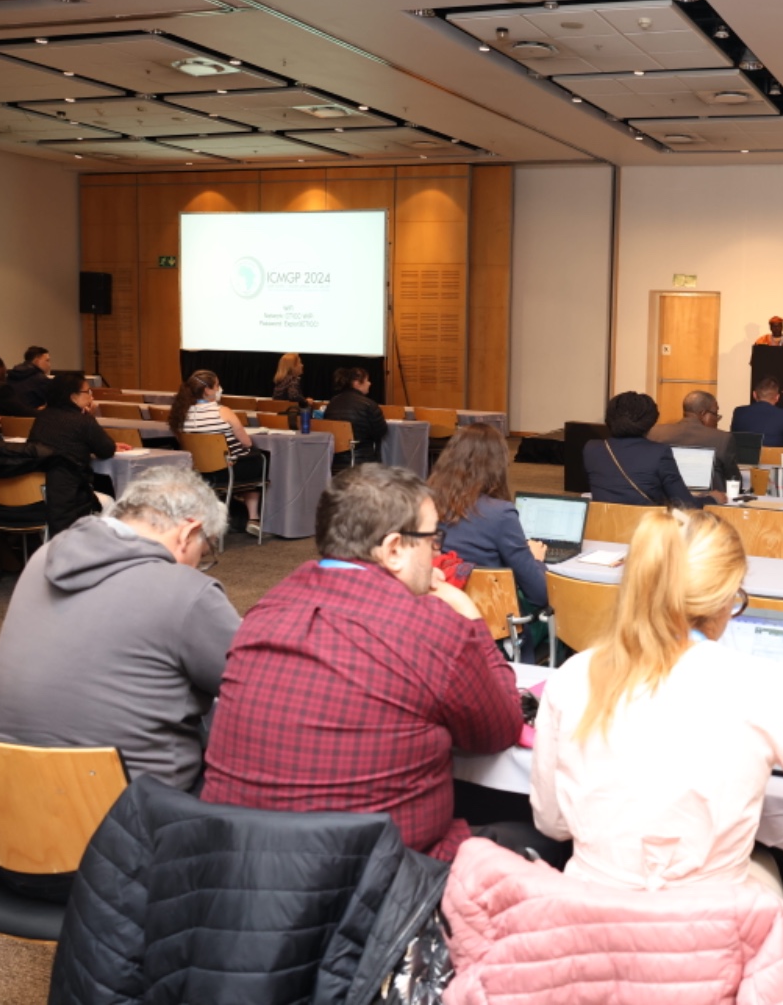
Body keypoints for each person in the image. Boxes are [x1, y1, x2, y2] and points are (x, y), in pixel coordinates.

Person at [531, 507, 783, 904]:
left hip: (585, 922)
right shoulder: (767, 687)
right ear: (722, 600)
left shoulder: (571, 678)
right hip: (709, 927)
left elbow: (551, 821)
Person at [201, 464, 524, 858]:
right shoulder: (430, 628)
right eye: (432, 539)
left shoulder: (264, 610)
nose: (437, 553)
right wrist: (470, 616)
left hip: (239, 860)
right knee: (536, 832)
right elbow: (499, 730)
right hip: (377, 875)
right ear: (394, 549)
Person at [0, 465, 239, 793]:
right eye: (202, 554)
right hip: (125, 808)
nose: (197, 566)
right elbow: (254, 680)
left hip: (10, 794)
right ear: (189, 532)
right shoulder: (186, 590)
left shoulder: (45, 557)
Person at [431, 423, 549, 609]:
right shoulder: (501, 514)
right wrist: (535, 560)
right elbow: (540, 595)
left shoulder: (424, 504)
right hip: (491, 618)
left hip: (437, 611)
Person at [29, 371, 127, 535]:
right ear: (73, 397)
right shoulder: (83, 421)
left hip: (36, 497)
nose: (91, 396)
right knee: (109, 502)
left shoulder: (43, 416)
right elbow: (106, 450)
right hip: (70, 496)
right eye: (87, 391)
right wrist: (90, 417)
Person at [584, 392, 724, 508]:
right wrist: (713, 498)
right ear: (650, 421)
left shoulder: (592, 449)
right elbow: (686, 504)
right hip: (646, 528)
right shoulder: (659, 453)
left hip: (603, 526)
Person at [170, 370, 264, 530]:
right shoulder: (223, 411)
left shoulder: (181, 415)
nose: (220, 389)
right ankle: (253, 517)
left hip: (199, 471)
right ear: (207, 390)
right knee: (257, 459)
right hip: (228, 470)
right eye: (217, 385)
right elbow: (246, 443)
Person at [647, 390, 741, 491]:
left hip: (666, 497)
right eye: (715, 414)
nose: (717, 420)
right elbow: (734, 480)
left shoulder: (655, 432)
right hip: (709, 499)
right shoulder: (722, 438)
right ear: (703, 414)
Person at [322, 366, 389, 467]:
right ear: (357, 383)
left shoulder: (332, 403)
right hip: (361, 460)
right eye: (367, 380)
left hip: (334, 460)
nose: (370, 383)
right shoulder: (369, 405)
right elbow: (380, 432)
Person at [730, 377, 783, 455]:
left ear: (754, 394)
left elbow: (733, 442)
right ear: (777, 397)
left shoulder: (739, 412)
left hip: (745, 461)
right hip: (774, 461)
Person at [8, 345, 54, 410]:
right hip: (33, 415)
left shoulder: (11, 375)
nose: (49, 365)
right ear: (37, 361)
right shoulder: (40, 379)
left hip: (11, 414)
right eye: (47, 360)